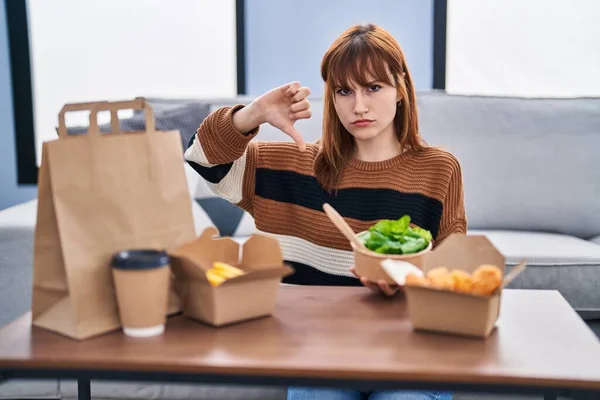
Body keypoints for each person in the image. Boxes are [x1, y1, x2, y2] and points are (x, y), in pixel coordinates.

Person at [185, 23, 464, 400]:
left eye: (373, 87)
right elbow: (200, 157)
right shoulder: (292, 165)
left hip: (411, 356)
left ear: (400, 89)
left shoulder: (438, 169)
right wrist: (255, 113)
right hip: (318, 356)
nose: (359, 106)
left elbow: (456, 272)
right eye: (344, 91)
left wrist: (412, 280)